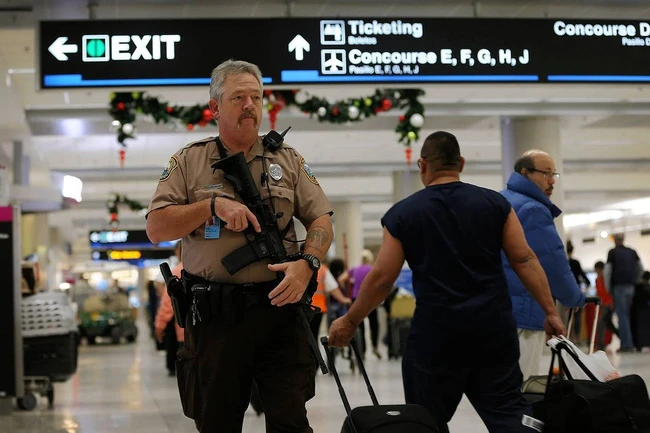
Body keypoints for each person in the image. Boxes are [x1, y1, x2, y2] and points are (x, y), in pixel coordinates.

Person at [329, 131, 566, 433]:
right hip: (493, 332)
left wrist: (351, 321)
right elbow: (525, 260)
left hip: (436, 337)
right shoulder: (495, 204)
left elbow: (382, 278)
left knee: (426, 421)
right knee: (508, 414)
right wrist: (550, 311)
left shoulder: (403, 213)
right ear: (462, 163)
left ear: (422, 165)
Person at [145, 59, 333, 433]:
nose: (250, 105)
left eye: (256, 97)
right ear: (214, 107)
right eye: (238, 97)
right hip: (217, 320)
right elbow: (156, 227)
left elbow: (321, 219)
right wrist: (211, 206)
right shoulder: (189, 162)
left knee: (291, 422)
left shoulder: (289, 160)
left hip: (280, 311)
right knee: (217, 422)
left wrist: (307, 262)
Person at [500, 150, 585, 379]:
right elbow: (552, 261)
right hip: (524, 310)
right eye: (546, 174)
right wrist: (573, 298)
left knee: (500, 387)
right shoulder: (532, 209)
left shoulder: (501, 200)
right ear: (525, 173)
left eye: (554, 174)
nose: (552, 181)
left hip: (497, 309)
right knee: (521, 386)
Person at [338, 249, 382, 358]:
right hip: (370, 299)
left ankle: (362, 351)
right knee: (374, 323)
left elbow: (341, 279)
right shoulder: (372, 269)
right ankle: (375, 345)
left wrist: (347, 290)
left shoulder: (354, 269)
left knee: (359, 325)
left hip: (355, 298)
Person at [605, 233, 644, 352]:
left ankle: (626, 345)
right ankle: (632, 342)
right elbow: (640, 267)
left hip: (618, 287)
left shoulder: (612, 252)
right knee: (628, 315)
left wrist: (608, 289)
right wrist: (636, 281)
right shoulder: (632, 251)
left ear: (615, 241)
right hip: (631, 286)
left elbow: (608, 271)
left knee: (622, 316)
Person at [155, 242, 184, 376]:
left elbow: (168, 304)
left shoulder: (177, 272)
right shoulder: (207, 268)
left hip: (184, 329)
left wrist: (159, 326)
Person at [309, 260, 351, 340]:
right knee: (314, 333)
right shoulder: (322, 269)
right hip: (318, 307)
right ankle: (312, 352)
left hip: (301, 307)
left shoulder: (297, 266)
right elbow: (332, 288)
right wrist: (343, 299)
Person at [594, 261, 619, 350]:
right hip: (603, 304)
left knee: (601, 323)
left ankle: (601, 345)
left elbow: (609, 291)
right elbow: (598, 292)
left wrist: (612, 302)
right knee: (609, 324)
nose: (597, 272)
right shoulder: (597, 280)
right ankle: (621, 336)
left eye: (598, 270)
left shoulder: (606, 278)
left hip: (609, 304)